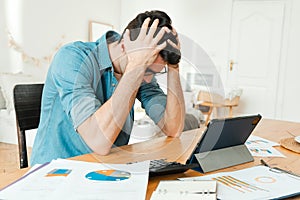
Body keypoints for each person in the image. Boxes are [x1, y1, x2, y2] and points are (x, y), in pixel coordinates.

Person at [31, 10, 187, 165]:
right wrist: (137, 65)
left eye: (153, 72)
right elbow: (99, 141)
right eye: (147, 70)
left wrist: (174, 66)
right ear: (125, 45)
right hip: (53, 174)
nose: (147, 79)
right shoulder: (72, 58)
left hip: (105, 171)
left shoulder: (142, 71)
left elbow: (173, 129)